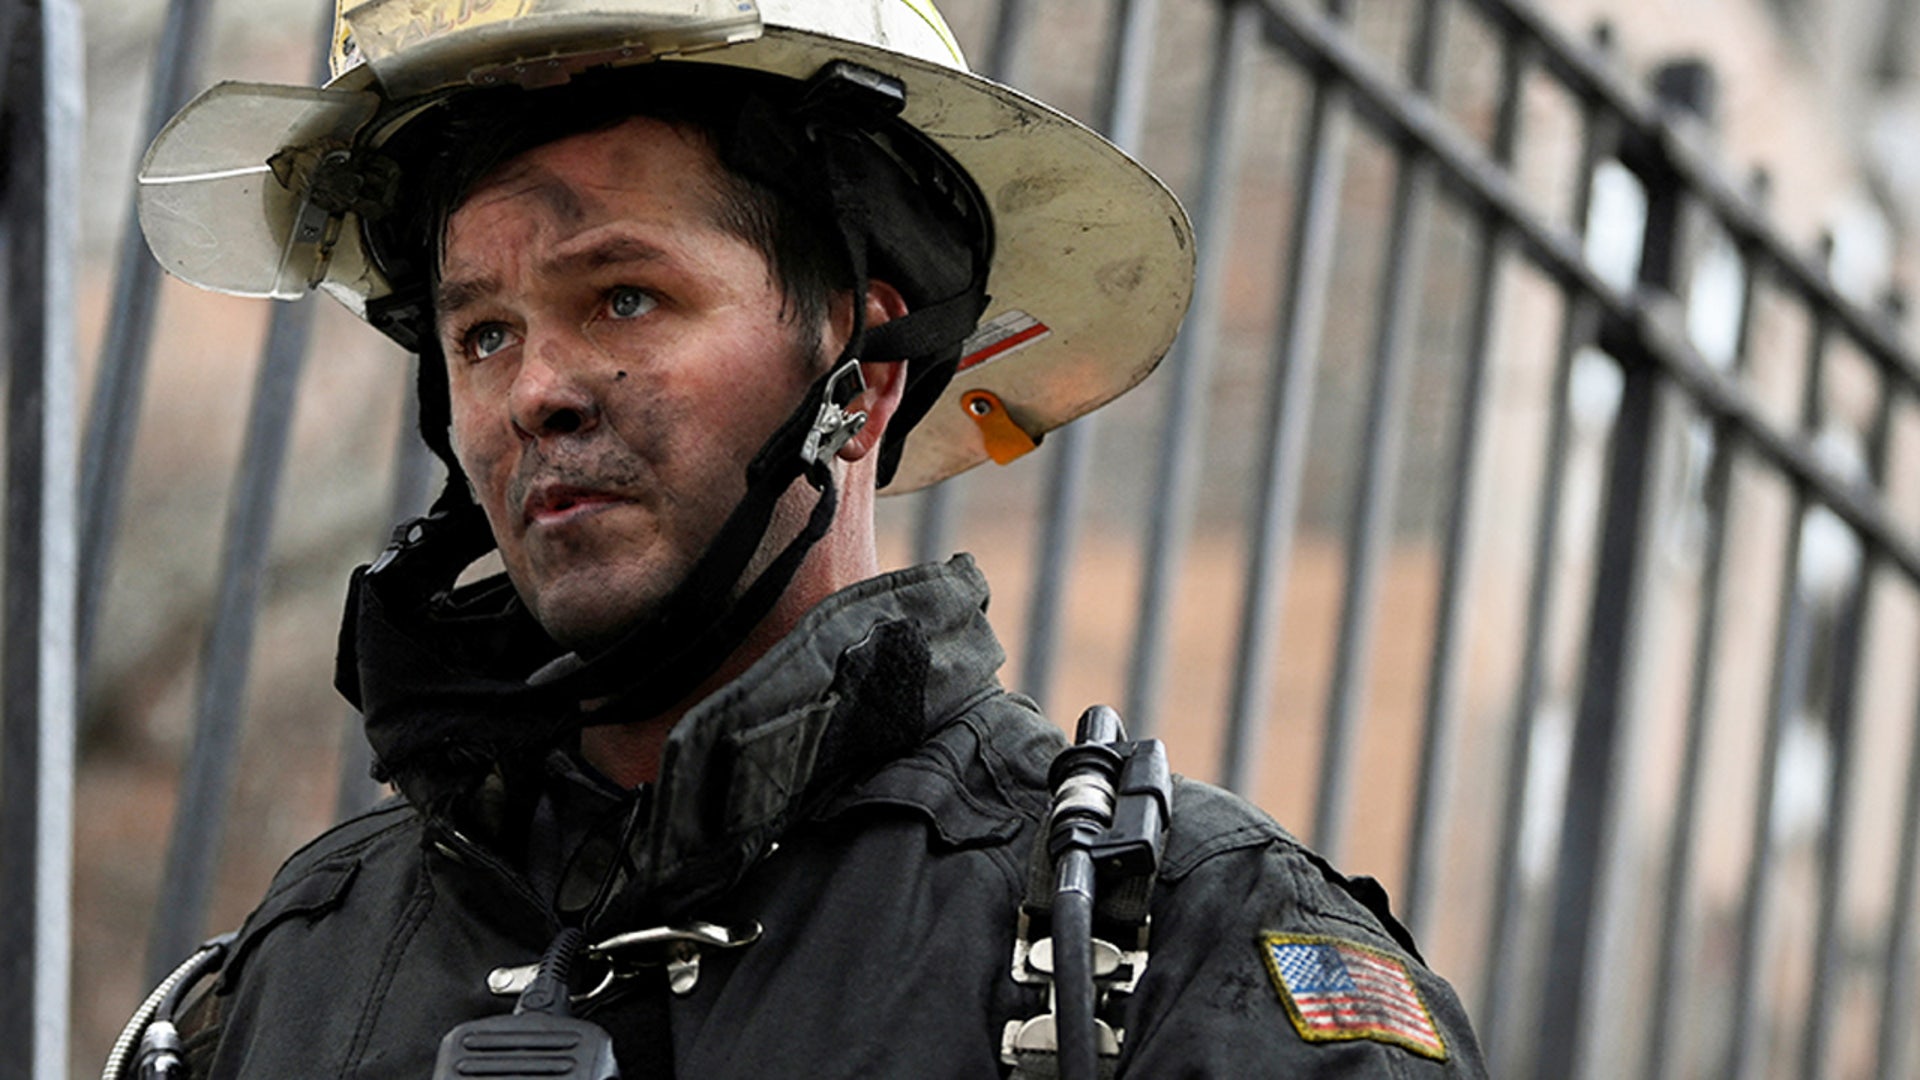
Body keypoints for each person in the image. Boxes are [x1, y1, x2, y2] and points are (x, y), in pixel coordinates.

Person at [120, 1, 1489, 1076]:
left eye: (627, 297)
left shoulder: (1176, 961)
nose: (534, 390)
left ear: (861, 370)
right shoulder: (293, 977)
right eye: (484, 332)